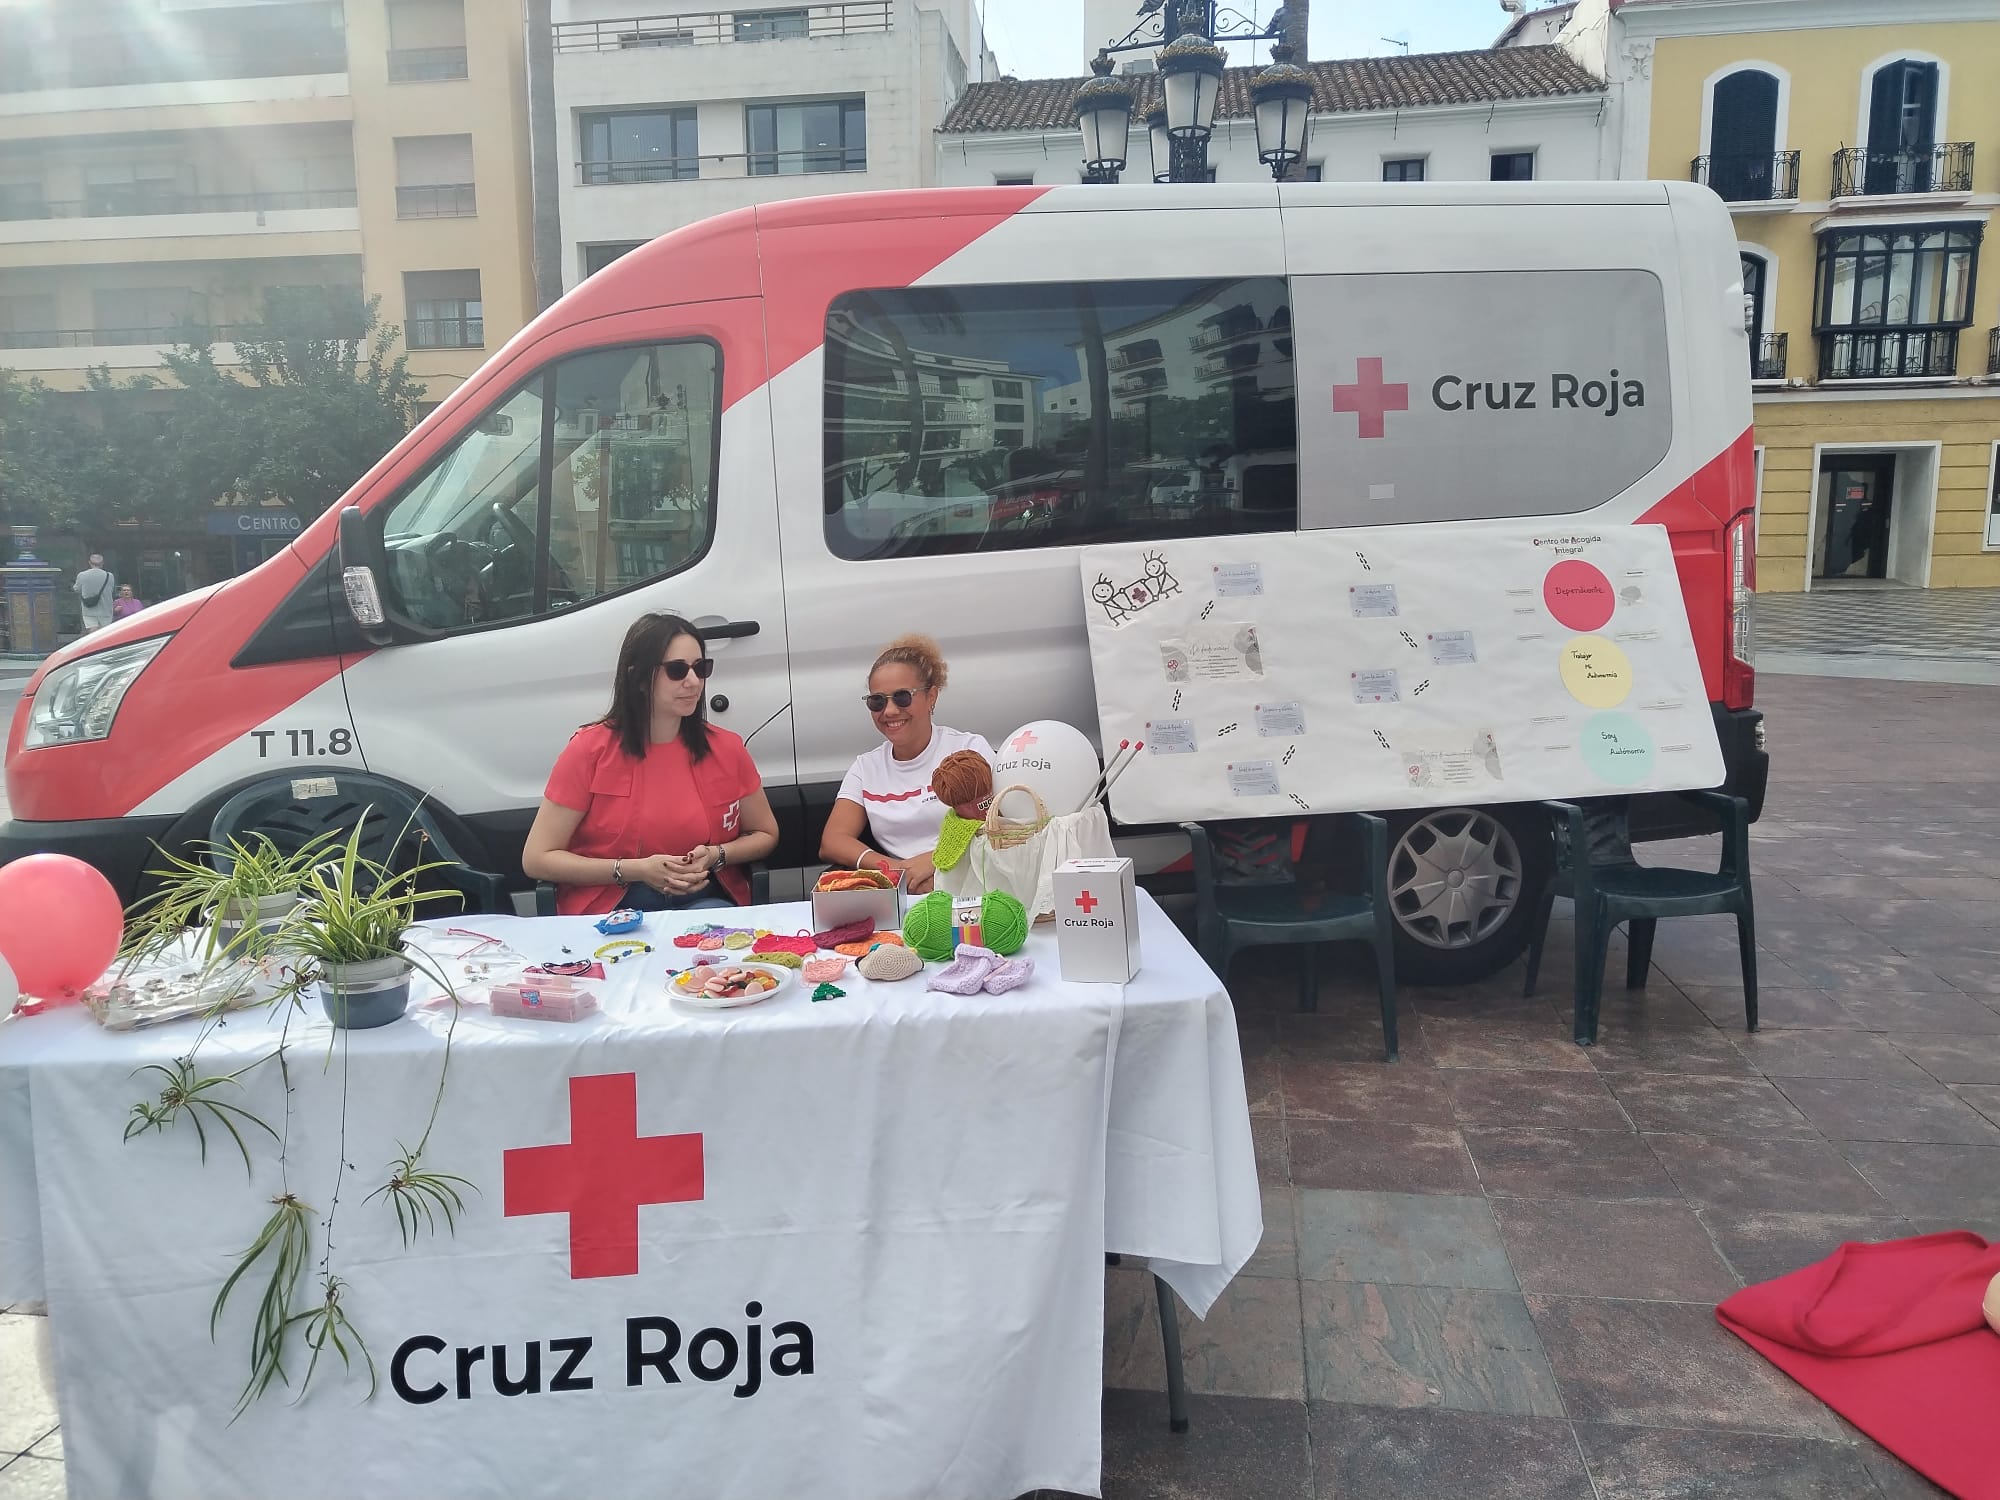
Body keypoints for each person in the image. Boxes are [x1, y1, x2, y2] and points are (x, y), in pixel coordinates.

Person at [523, 612, 778, 915]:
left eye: (701, 668)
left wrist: (715, 855)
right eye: (677, 670)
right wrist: (636, 870)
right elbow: (537, 857)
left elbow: (766, 834)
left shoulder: (726, 747)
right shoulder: (589, 749)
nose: (693, 681)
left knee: (712, 941)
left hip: (703, 898)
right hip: (614, 905)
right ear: (640, 678)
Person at [819, 634, 992, 894]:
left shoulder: (969, 750)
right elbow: (832, 841)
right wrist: (895, 870)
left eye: (902, 697)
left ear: (931, 696)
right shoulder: (866, 767)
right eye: (877, 701)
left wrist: (936, 861)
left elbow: (1002, 824)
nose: (889, 711)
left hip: (970, 883)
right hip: (906, 890)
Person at [73, 554, 115, 634]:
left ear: (89, 562)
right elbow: (111, 590)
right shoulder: (109, 576)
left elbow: (76, 589)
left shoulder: (82, 575)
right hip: (106, 609)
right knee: (105, 633)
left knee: (93, 632)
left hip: (88, 610)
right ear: (102, 563)